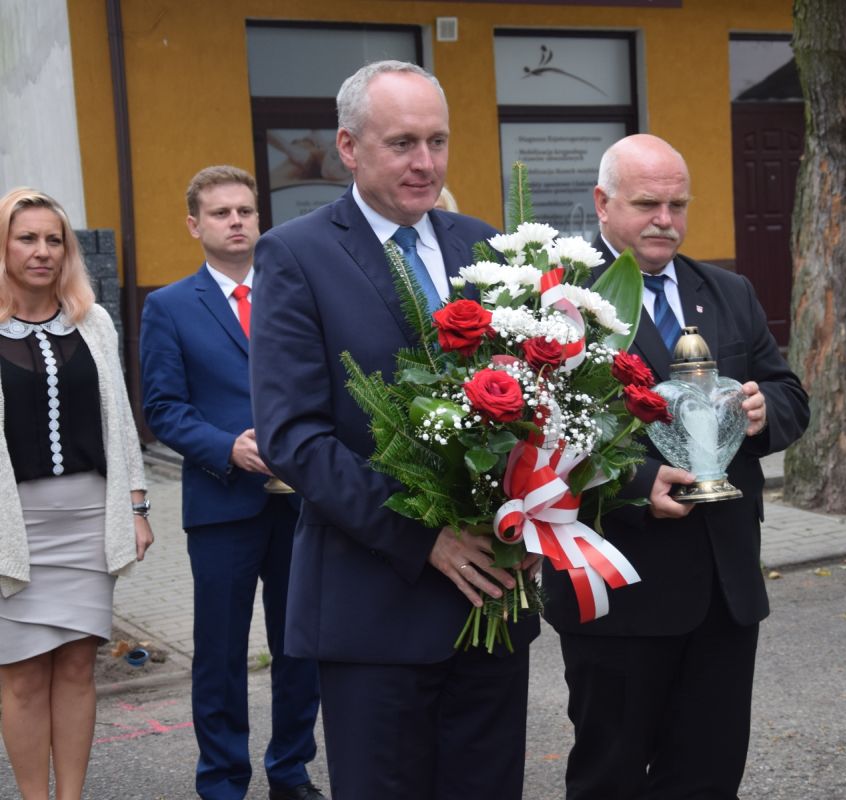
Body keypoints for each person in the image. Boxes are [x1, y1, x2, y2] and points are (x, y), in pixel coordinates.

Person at [249, 61, 538, 799]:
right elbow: (294, 436)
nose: (425, 163)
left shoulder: (485, 246)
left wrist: (534, 518)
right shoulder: (297, 254)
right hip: (375, 611)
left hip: (491, 602)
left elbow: (534, 402)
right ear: (348, 147)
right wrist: (425, 537)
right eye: (403, 143)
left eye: (437, 141)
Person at [542, 134, 811, 799]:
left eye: (677, 205)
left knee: (707, 777)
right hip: (619, 589)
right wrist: (636, 485)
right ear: (602, 203)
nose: (665, 220)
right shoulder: (559, 301)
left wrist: (762, 411)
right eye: (646, 204)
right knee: (609, 778)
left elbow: (789, 392)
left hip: (723, 588)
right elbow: (536, 435)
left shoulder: (727, 291)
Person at [139, 166, 323, 800]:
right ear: (195, 225)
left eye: (245, 210)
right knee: (220, 653)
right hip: (221, 504)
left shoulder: (296, 294)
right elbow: (163, 409)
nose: (236, 221)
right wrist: (228, 447)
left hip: (302, 502)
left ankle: (291, 771)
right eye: (221, 213)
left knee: (299, 646)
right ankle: (221, 780)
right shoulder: (168, 307)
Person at [0, 188, 153, 800]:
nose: (42, 251)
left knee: (76, 669)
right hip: (13, 526)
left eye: (53, 240)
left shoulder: (93, 322)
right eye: (27, 238)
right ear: (4, 247)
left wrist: (137, 508)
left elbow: (121, 424)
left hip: (90, 520)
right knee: (20, 679)